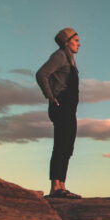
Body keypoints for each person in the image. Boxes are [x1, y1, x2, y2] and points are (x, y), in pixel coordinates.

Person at [36, 27, 83, 199]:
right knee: (61, 145)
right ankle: (55, 187)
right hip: (61, 106)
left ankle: (61, 185)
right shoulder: (60, 56)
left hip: (69, 108)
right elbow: (41, 74)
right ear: (66, 42)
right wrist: (50, 96)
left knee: (68, 147)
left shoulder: (69, 59)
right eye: (76, 40)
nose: (79, 44)